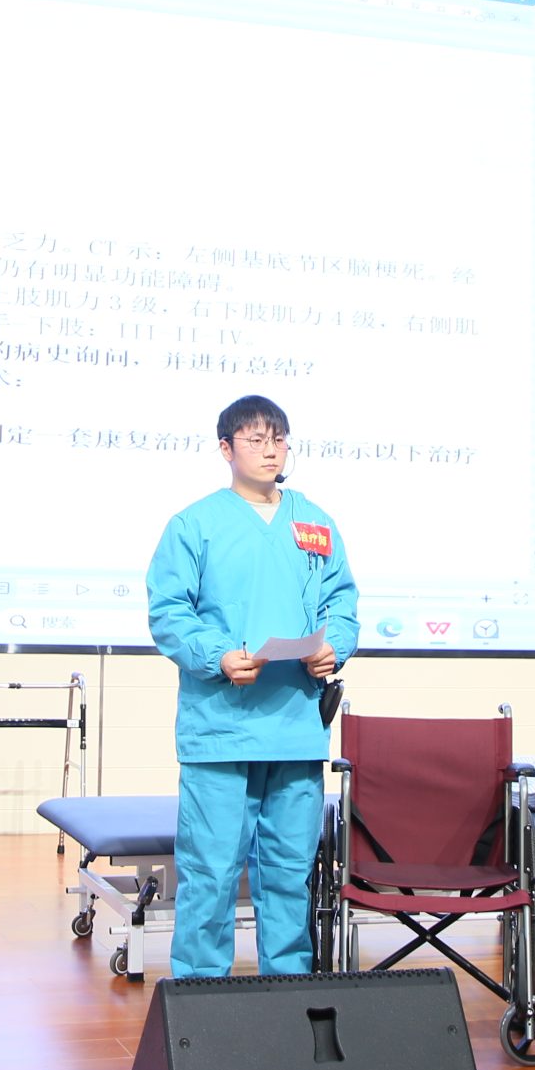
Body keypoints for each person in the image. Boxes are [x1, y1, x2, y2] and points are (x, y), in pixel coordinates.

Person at [146, 395, 360, 980]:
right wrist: (216, 655)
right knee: (211, 872)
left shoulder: (314, 522)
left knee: (290, 871)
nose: (271, 451)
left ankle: (288, 991)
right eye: (256, 440)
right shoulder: (195, 525)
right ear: (226, 448)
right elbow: (169, 612)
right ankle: (199, 996)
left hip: (295, 727)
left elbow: (341, 602)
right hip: (223, 727)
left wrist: (334, 646)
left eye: (279, 440)